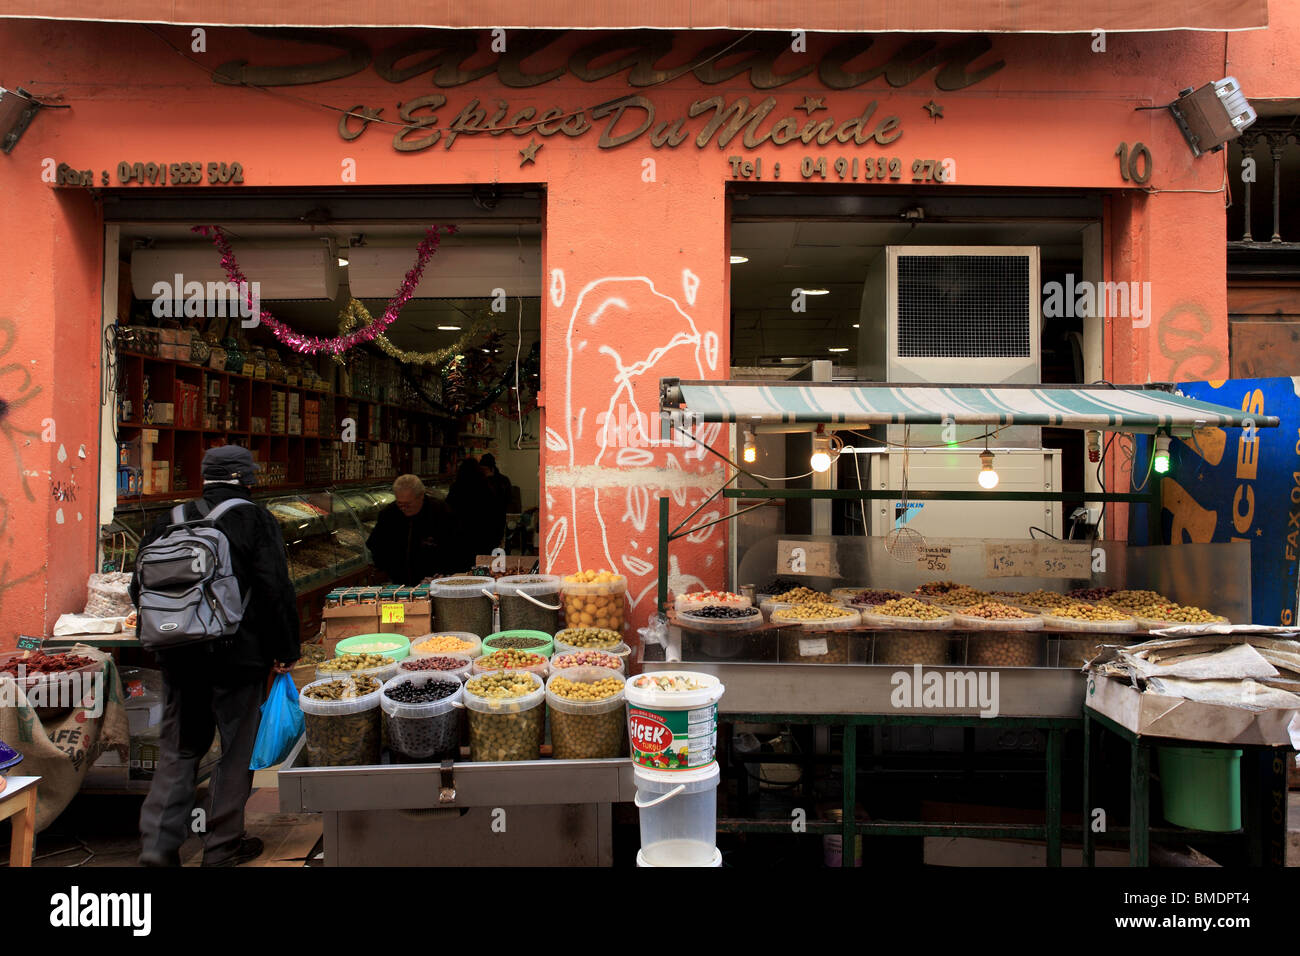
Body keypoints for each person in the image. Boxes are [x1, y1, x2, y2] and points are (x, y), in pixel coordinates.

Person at [130, 445, 300, 868]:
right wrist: (285, 651)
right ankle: (222, 846)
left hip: (178, 656)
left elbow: (138, 590)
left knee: (179, 750)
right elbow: (274, 590)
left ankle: (158, 847)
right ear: (245, 478)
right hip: (238, 657)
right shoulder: (255, 519)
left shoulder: (167, 520)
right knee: (235, 751)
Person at [366, 474, 459, 584]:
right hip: (400, 584)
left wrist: (445, 574)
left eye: (408, 504)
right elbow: (375, 544)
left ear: (421, 496)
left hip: (436, 583)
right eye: (400, 504)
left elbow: (456, 547)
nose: (404, 508)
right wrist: (387, 568)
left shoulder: (440, 512)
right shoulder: (389, 514)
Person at [446, 456, 505, 565]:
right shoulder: (486, 487)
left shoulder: (456, 488)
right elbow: (497, 514)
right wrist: (497, 537)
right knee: (482, 569)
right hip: (484, 537)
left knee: (464, 570)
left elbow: (449, 512)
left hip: (462, 539)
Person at [479, 453, 515, 546]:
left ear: (491, 468)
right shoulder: (504, 480)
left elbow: (508, 499)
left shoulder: (498, 481)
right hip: (495, 518)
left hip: (494, 518)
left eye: (484, 469)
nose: (482, 471)